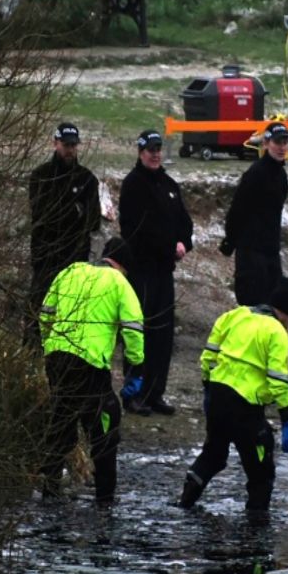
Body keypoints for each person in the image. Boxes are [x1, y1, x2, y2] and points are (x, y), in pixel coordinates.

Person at [177, 276, 288, 513]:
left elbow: (208, 356)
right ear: (285, 313)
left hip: (218, 396)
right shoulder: (277, 332)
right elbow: (278, 381)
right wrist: (286, 417)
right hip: (246, 408)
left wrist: (207, 389)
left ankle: (184, 502)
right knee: (261, 470)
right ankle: (255, 530)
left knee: (213, 454)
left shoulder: (235, 315)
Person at [38, 237, 145, 503]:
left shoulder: (70, 272)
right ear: (123, 266)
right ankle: (105, 498)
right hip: (89, 363)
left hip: (57, 358)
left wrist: (48, 344)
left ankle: (48, 490)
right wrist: (136, 364)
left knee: (62, 420)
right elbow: (133, 328)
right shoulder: (119, 283)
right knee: (105, 425)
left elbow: (45, 313)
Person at [118, 129, 195, 416]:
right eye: (149, 149)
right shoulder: (133, 185)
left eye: (158, 149)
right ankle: (133, 394)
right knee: (139, 334)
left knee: (163, 337)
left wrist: (183, 243)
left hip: (165, 272)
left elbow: (185, 224)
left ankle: (155, 393)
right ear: (140, 152)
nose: (154, 154)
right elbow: (136, 230)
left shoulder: (169, 185)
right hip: (141, 271)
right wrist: (167, 246)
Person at [28, 121, 101, 346]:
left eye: (73, 145)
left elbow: (93, 220)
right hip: (46, 259)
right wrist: (75, 210)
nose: (70, 150)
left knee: (71, 317)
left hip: (76, 261)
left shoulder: (87, 179)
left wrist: (71, 213)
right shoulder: (41, 176)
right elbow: (43, 215)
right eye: (66, 145)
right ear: (55, 144)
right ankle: (30, 358)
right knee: (38, 314)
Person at [219, 121, 288, 306]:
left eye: (284, 142)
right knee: (252, 306)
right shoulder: (256, 173)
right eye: (277, 142)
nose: (282, 147)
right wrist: (230, 240)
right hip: (251, 252)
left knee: (273, 306)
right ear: (266, 144)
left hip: (271, 251)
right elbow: (238, 209)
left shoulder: (281, 176)